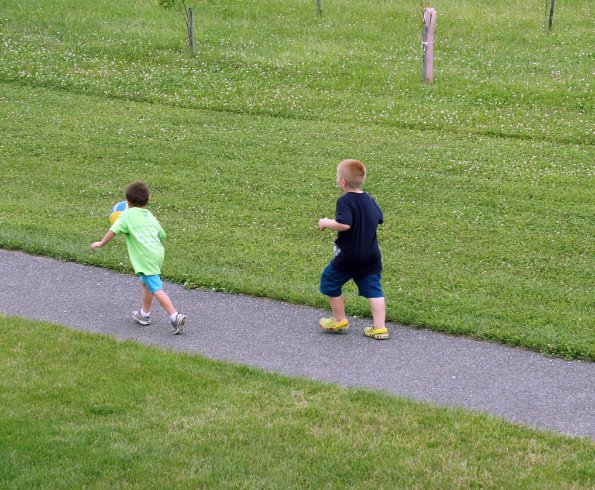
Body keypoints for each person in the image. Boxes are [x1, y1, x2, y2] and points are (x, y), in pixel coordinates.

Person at [91, 181, 186, 335]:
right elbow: (162, 234)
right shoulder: (149, 215)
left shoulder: (126, 215)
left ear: (127, 202)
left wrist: (101, 243)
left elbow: (113, 230)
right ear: (148, 200)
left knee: (155, 287)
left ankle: (175, 316)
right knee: (146, 283)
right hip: (157, 252)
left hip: (145, 256)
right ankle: (144, 315)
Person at [318, 159, 388, 340]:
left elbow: (344, 224)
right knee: (374, 290)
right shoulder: (369, 200)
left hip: (349, 255)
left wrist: (326, 223)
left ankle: (339, 319)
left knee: (330, 280)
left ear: (342, 182)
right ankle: (380, 328)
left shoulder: (345, 201)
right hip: (371, 255)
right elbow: (379, 218)